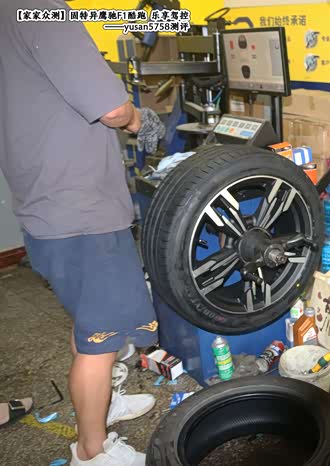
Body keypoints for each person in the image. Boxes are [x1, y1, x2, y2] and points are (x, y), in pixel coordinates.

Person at [0, 1, 164, 464]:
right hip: (80, 209)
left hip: (45, 204)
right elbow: (112, 108)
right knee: (102, 340)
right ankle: (92, 451)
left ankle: (103, 404)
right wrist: (138, 119)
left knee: (91, 320)